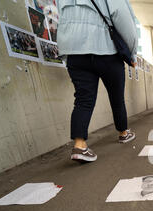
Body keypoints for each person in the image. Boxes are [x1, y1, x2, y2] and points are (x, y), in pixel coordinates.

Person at [57, 0, 137, 163]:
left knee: (83, 99)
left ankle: (80, 145)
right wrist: (132, 53)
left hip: (74, 51)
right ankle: (123, 133)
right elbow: (121, 17)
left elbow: (62, 16)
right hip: (106, 50)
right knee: (116, 97)